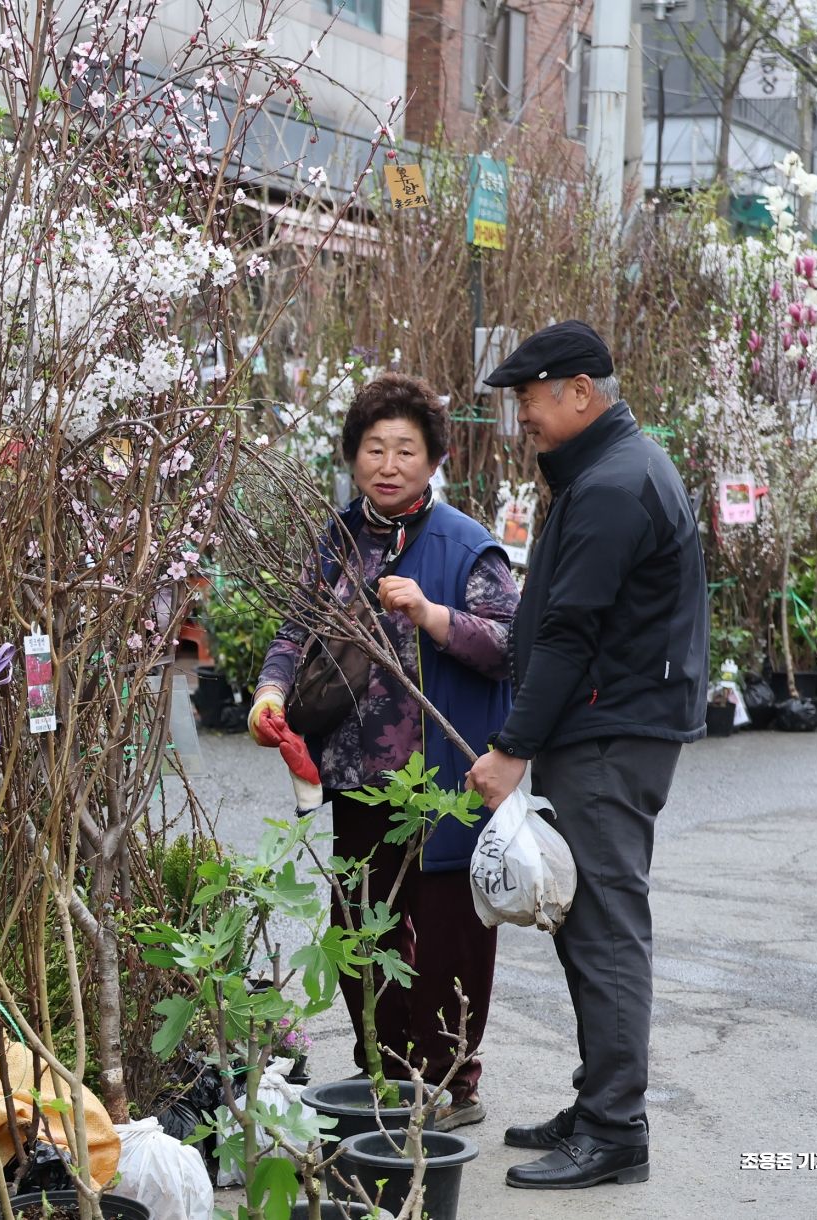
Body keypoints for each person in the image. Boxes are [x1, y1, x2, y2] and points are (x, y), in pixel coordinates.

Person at [465, 321, 708, 1190]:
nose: (522, 415)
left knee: (603, 928)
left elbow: (569, 633)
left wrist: (510, 750)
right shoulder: (605, 470)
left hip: (610, 734)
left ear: (578, 391)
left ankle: (614, 1130)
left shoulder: (613, 482)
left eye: (529, 398)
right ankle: (598, 1102)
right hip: (604, 727)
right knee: (585, 922)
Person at [247, 373, 516, 1131]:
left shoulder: (466, 545)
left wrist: (433, 615)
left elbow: (510, 645)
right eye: (374, 448)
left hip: (441, 781)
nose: (389, 465)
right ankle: (387, 1073)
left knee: (449, 934)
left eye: (406, 449)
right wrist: (271, 690)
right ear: (352, 456)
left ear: (434, 459)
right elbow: (295, 630)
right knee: (361, 927)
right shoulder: (335, 540)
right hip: (358, 776)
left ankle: (450, 1081)